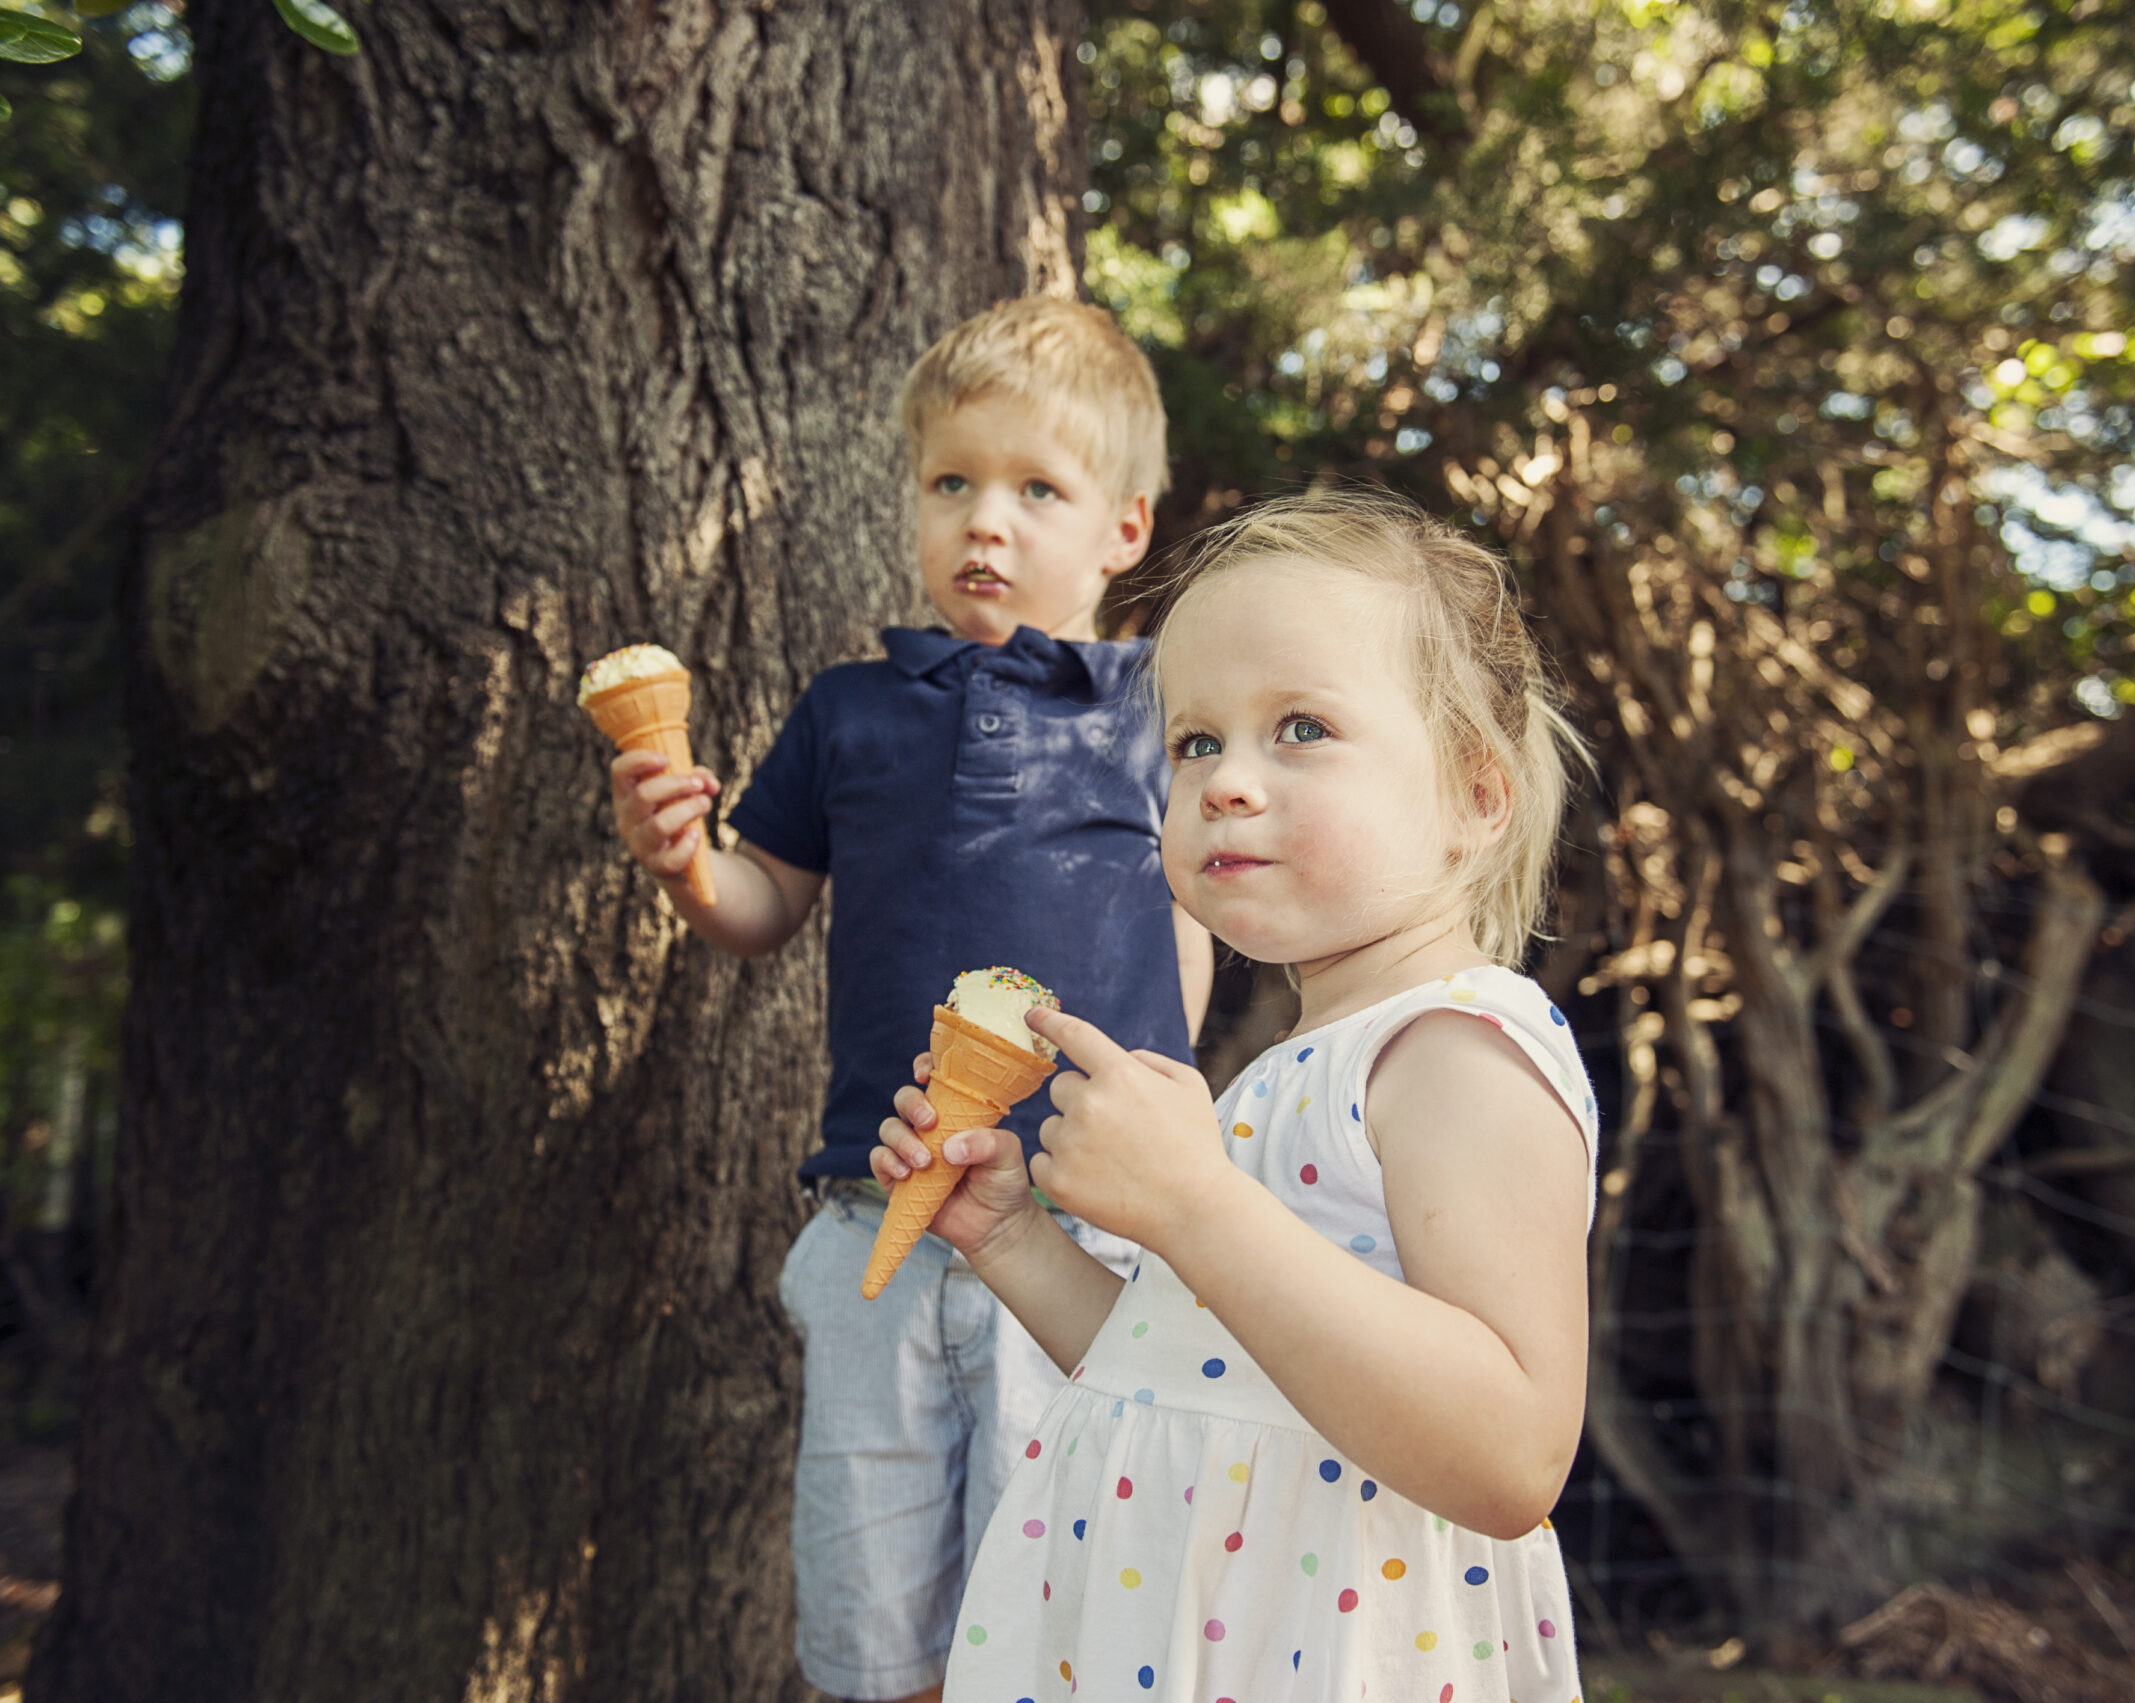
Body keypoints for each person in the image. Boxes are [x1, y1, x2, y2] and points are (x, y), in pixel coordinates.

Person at [876, 488, 1600, 1702]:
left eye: (1301, 728)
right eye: (1198, 740)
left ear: (1477, 796)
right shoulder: (1286, 1069)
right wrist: (1010, 1237)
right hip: (1195, 1631)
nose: (1224, 781)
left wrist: (1198, 1205)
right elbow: (1184, 1370)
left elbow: (1512, 1452)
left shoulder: (1456, 1052)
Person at [605, 297, 1214, 1703]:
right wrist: (681, 857)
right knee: (877, 1624)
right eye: (952, 484)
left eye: (1034, 489)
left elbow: (1205, 919)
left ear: (1123, 527)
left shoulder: (1160, 708)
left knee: (1064, 1612)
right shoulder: (847, 708)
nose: (982, 524)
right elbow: (760, 907)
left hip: (1078, 1229)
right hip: (873, 1207)